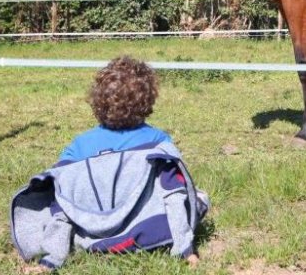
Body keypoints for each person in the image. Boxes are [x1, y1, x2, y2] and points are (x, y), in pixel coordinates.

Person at [10, 56, 208, 271]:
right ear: (148, 101)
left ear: (97, 101)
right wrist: (186, 248)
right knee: (198, 196)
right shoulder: (158, 142)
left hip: (88, 236)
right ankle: (181, 249)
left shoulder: (78, 147)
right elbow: (174, 194)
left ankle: (53, 258)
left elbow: (63, 197)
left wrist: (51, 257)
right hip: (149, 230)